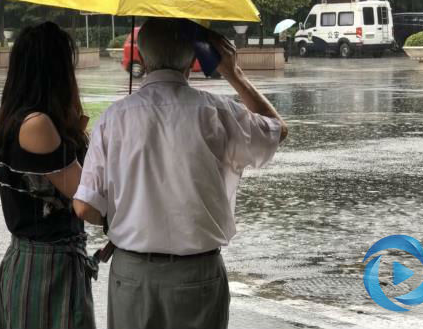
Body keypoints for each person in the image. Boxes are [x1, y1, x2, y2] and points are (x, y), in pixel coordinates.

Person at [73, 18, 288, 329]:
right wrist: (233, 73)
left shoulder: (113, 118)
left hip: (133, 277)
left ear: (143, 60)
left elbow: (85, 207)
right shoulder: (219, 112)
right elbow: (277, 130)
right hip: (198, 277)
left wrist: (125, 216)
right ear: (193, 61)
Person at [0, 22, 95, 329]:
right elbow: (84, 194)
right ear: (56, 69)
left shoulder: (26, 118)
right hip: (45, 270)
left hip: (46, 265)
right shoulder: (38, 125)